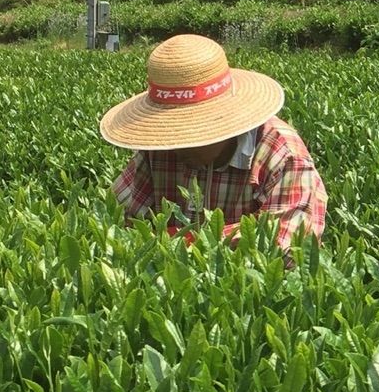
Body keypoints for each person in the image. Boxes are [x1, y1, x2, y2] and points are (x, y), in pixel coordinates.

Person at [99, 33, 326, 256]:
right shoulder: (157, 151)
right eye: (169, 130)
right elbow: (119, 223)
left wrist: (186, 242)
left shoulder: (281, 154)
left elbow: (289, 246)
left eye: (187, 132)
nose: (176, 144)